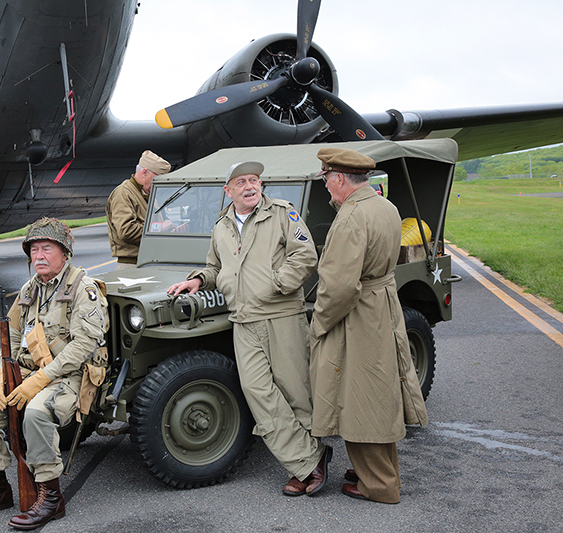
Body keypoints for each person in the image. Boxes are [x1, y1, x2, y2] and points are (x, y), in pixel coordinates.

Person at [168, 161, 331, 497]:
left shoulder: (283, 214)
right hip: (243, 320)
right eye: (241, 182)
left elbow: (305, 255)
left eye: (254, 180)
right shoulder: (222, 226)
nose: (250, 186)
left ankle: (305, 465)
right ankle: (309, 459)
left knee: (295, 391)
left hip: (282, 315)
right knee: (259, 393)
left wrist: (277, 284)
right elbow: (215, 267)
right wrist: (198, 280)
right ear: (228, 190)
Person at [0, 217, 107, 529]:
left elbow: (84, 344)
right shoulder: (30, 289)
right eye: (34, 249)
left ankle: (51, 498)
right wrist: (2, 375)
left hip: (70, 376)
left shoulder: (84, 289)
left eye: (46, 248)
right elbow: (11, 336)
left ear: (64, 253)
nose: (39, 255)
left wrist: (41, 379)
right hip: (26, 371)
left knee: (36, 412)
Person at [308, 147, 428, 504]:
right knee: (379, 391)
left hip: (359, 314)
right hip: (382, 306)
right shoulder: (383, 206)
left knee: (359, 398)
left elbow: (340, 285)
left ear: (340, 179)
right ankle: (379, 472)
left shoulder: (351, 217)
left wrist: (319, 322)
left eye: (328, 180)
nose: (327, 187)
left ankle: (379, 485)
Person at [106, 150, 172, 268]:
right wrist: (159, 228)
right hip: (132, 265)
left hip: (149, 262)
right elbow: (126, 231)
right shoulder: (124, 193)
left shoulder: (148, 195)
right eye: (156, 180)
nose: (159, 185)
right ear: (145, 172)